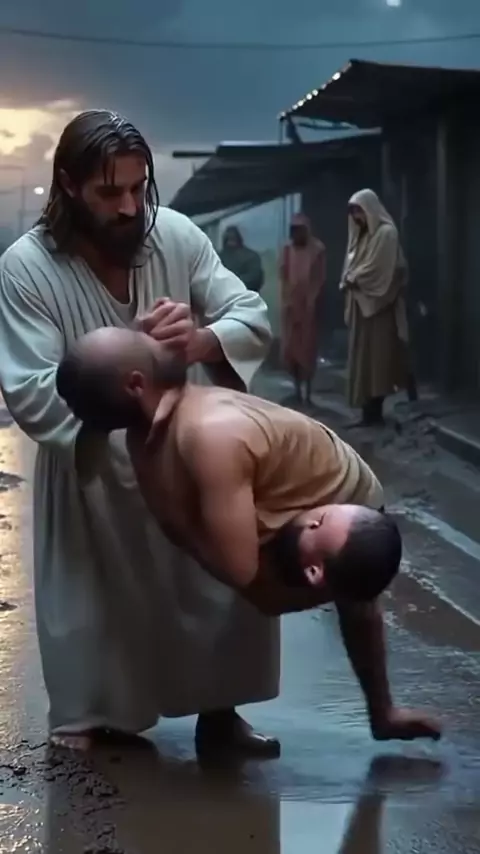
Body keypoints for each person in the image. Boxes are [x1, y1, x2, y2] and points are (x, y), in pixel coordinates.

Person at [0, 109, 280, 754]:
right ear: (68, 185)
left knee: (215, 580)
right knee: (98, 606)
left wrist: (202, 338)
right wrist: (134, 371)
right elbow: (32, 390)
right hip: (92, 469)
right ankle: (97, 719)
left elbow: (248, 313)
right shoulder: (26, 268)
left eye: (138, 187)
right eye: (110, 192)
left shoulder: (174, 236)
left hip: (187, 455)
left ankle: (221, 714)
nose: (129, 207)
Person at [55, 326, 442, 745]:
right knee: (256, 576)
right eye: (148, 346)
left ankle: (380, 713)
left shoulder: (209, 433)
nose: (160, 344)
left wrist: (179, 524)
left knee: (346, 594)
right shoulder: (151, 432)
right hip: (299, 513)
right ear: (135, 384)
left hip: (343, 504)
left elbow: (240, 569)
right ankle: (366, 714)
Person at [340, 189, 412, 427]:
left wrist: (354, 278)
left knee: (378, 361)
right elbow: (351, 266)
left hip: (379, 308)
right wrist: (348, 278)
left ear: (370, 209)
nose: (356, 217)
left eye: (359, 211)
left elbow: (379, 269)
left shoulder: (386, 234)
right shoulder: (360, 237)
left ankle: (376, 413)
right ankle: (366, 414)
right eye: (353, 212)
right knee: (361, 361)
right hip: (361, 309)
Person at [280, 213, 326, 405]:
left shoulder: (317, 250)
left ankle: (308, 393)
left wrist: (312, 300)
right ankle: (297, 391)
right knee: (291, 350)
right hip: (291, 308)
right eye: (294, 230)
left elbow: (320, 277)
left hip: (308, 309)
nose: (297, 233)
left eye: (300, 229)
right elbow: (283, 276)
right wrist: (286, 301)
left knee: (307, 350)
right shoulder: (287, 250)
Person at [220, 225, 264, 292]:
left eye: (233, 239)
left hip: (245, 294)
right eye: (228, 239)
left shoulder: (251, 256)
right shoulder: (219, 257)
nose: (230, 242)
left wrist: (231, 283)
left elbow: (255, 278)